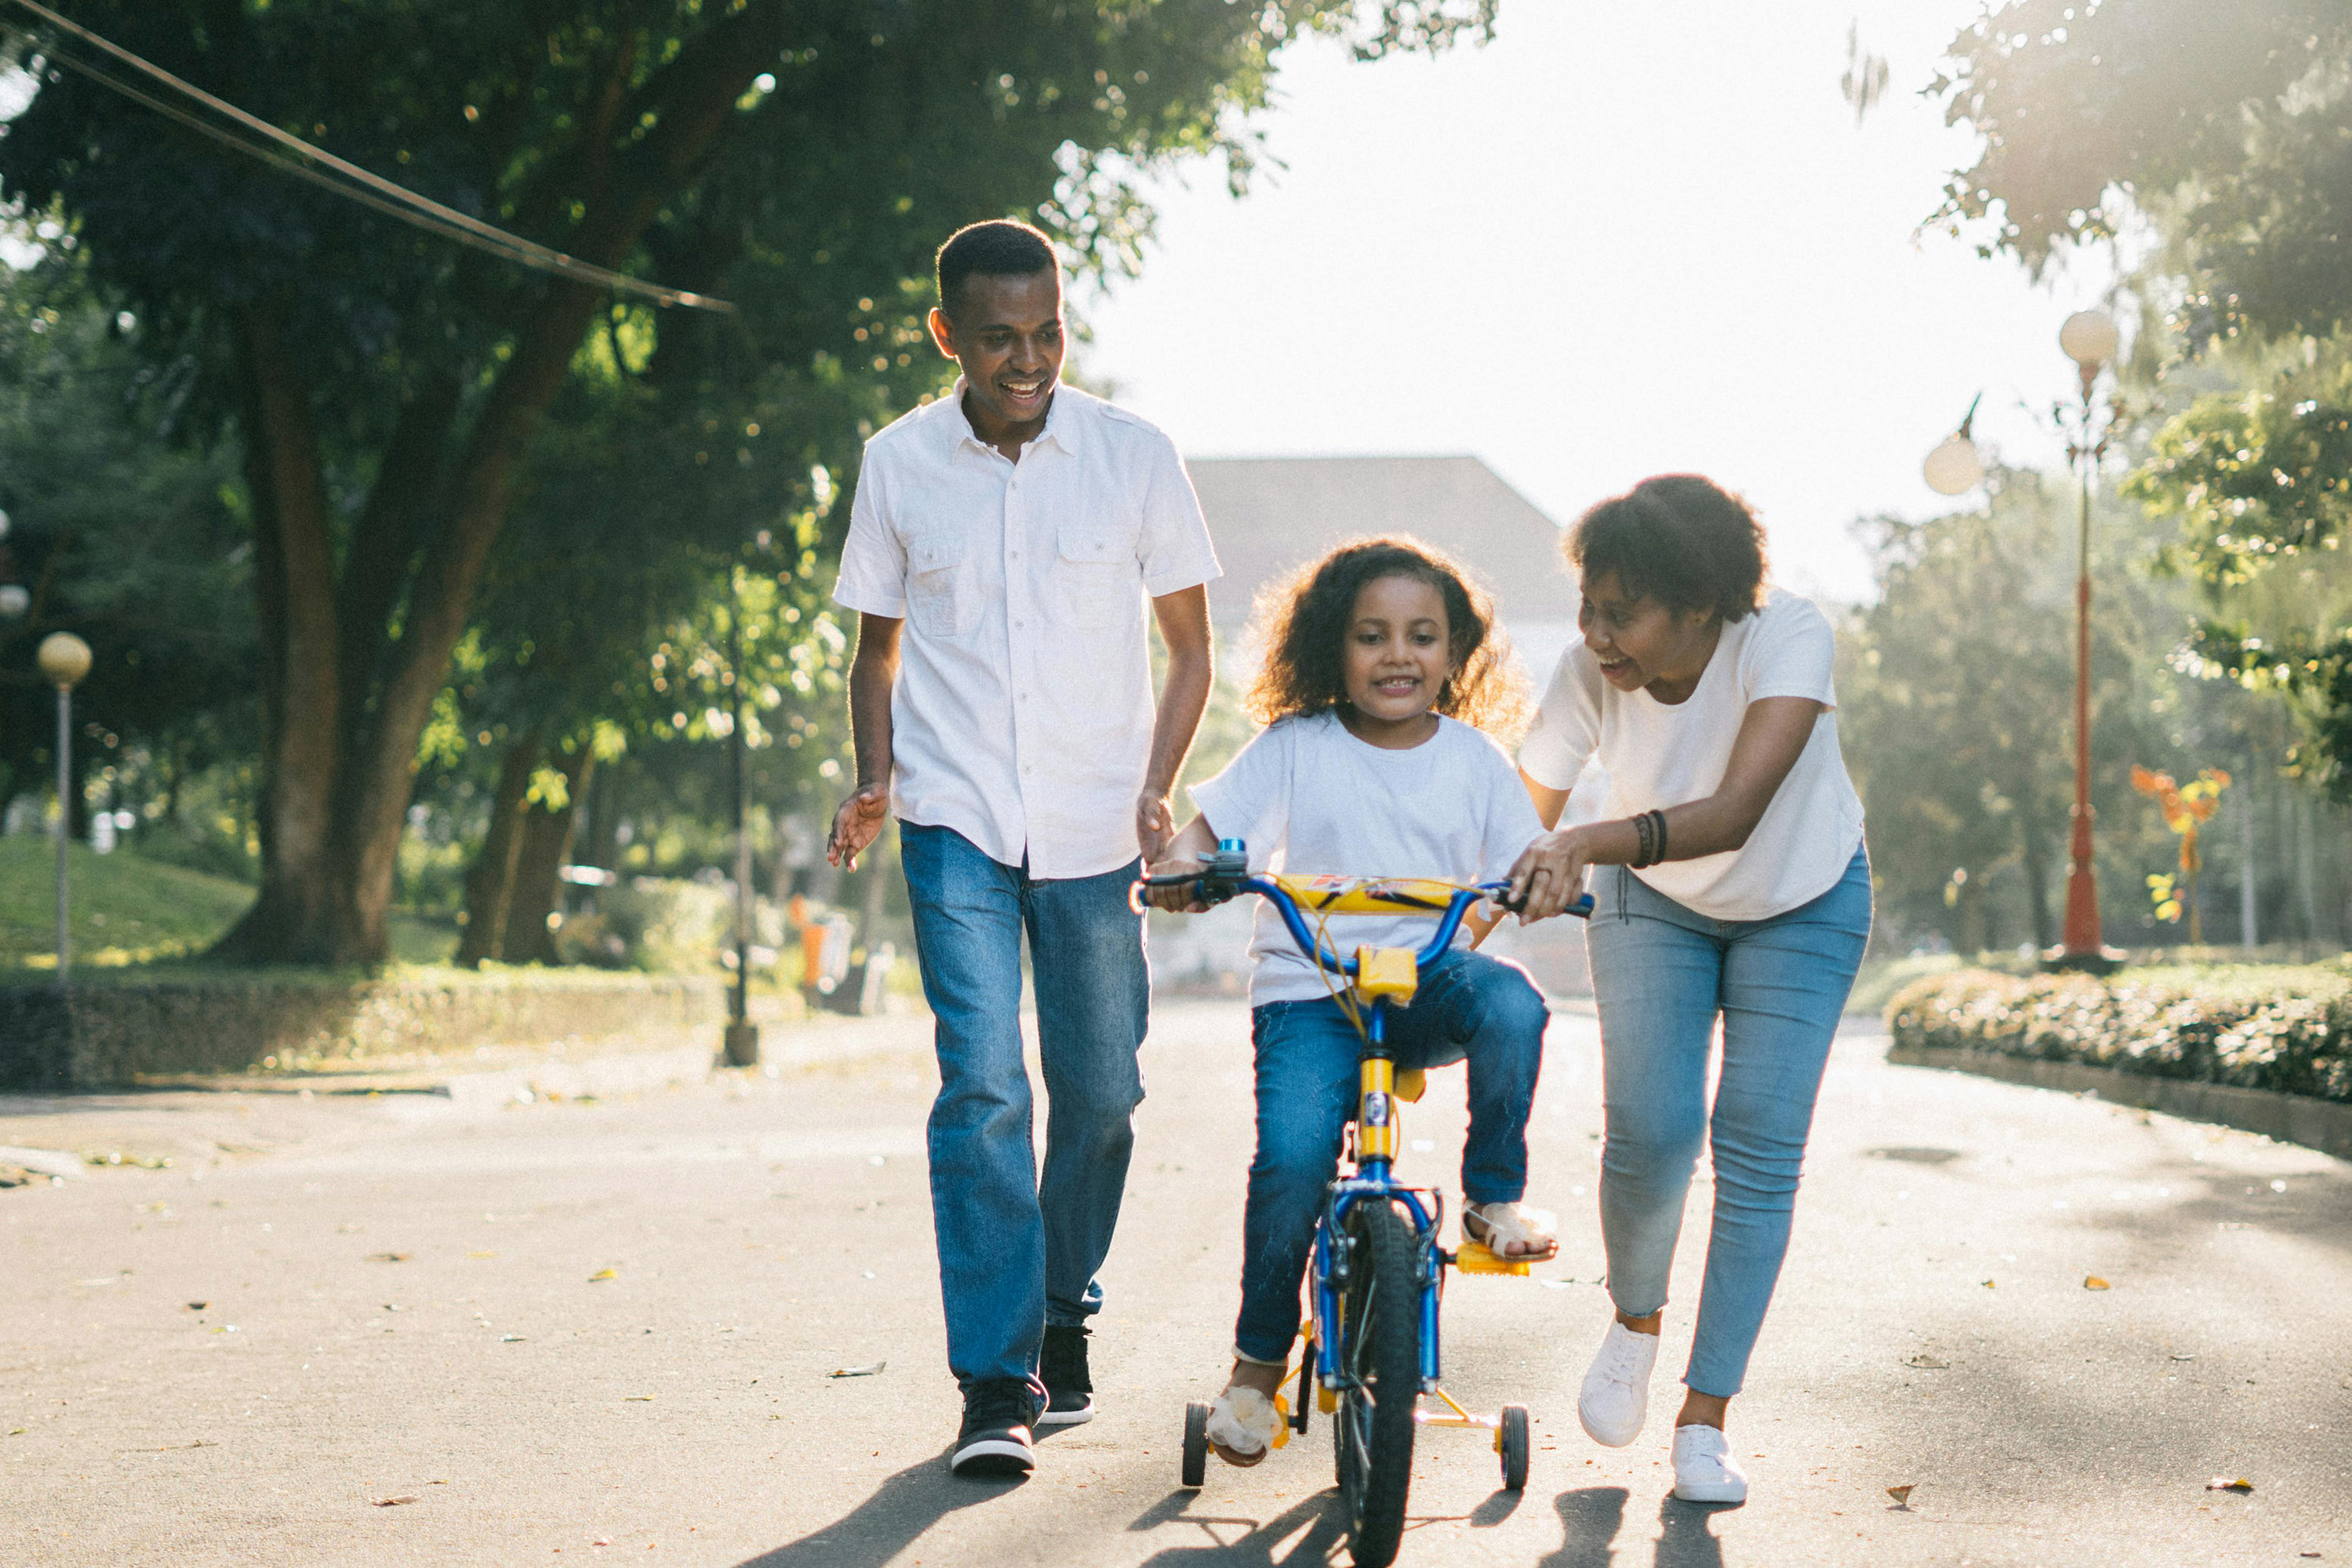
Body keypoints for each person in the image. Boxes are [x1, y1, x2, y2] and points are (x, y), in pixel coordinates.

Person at [826, 218, 1221, 1478]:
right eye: (999, 338)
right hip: (953, 819)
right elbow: (876, 647)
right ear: (948, 335)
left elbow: (1191, 647)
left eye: (1047, 332)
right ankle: (996, 1380)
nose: (1029, 358)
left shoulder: (1133, 456)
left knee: (1103, 1093)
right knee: (985, 1085)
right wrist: (876, 777)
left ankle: (1063, 1309)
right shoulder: (897, 463)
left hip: (1099, 822)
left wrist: (1159, 788)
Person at [1143, 537, 1560, 1467]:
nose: (1398, 655)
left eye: (1422, 636)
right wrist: (1182, 868)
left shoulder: (1476, 761)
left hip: (1423, 983)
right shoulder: (1295, 747)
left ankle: (1492, 1198)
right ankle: (1255, 1369)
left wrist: (1540, 882)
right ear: (1334, 647)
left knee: (1516, 1006)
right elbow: (1207, 835)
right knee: (1292, 1160)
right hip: (1310, 993)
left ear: (1455, 655)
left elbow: (1523, 860)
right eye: (1371, 636)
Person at [1506, 474, 1870, 1505]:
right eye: (1588, 605)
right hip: (1651, 902)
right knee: (1653, 1130)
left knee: (1756, 1143)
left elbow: (1738, 808)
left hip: (1802, 895)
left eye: (1620, 611)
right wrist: (1450, 921)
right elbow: (1513, 819)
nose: (1595, 632)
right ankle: (1633, 1318)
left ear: (1700, 605)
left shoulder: (1784, 636)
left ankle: (1705, 1417)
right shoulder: (1588, 672)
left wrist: (1580, 838)